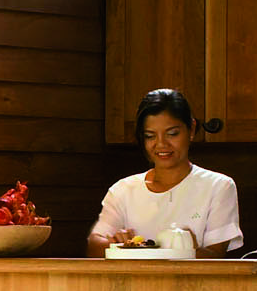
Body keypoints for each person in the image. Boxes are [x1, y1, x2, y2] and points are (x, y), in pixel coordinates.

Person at [88, 88, 244, 256]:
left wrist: (188, 248)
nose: (161, 144)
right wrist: (116, 243)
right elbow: (94, 245)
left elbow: (216, 255)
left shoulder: (218, 186)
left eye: (172, 134)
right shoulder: (123, 190)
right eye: (150, 136)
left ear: (191, 129)